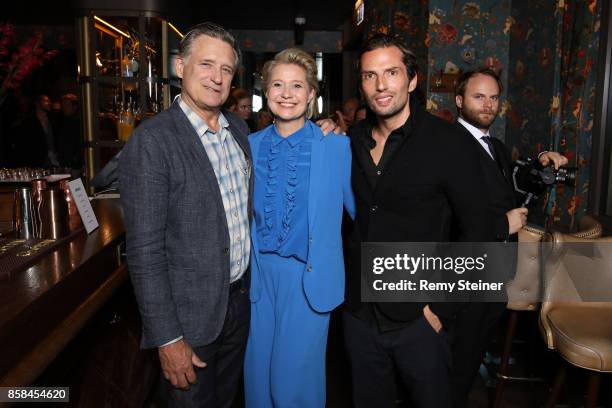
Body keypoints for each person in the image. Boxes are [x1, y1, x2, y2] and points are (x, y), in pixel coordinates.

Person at [342, 33, 490, 407]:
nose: (380, 85)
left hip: (419, 321)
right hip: (360, 316)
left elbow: (481, 232)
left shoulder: (450, 143)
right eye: (369, 75)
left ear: (412, 79)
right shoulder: (352, 139)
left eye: (391, 72)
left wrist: (439, 309)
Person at [120, 23, 252, 408]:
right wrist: (166, 338)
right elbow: (143, 251)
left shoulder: (240, 131)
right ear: (180, 66)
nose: (216, 77)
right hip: (188, 322)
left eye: (226, 69)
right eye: (206, 64)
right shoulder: (153, 141)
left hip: (238, 306)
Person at [243, 48, 355, 408]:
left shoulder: (336, 147)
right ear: (266, 90)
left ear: (312, 94)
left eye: (297, 85)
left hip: (308, 281)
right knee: (257, 384)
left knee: (291, 387)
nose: (287, 94)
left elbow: (366, 214)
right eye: (278, 84)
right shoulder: (248, 146)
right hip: (258, 281)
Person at [450, 67, 568, 407]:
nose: (488, 105)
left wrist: (541, 164)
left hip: (496, 269)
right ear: (459, 101)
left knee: (470, 359)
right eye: (478, 96)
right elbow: (447, 213)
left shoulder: (496, 147)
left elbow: (510, 190)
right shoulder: (448, 146)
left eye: (493, 97)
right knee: (455, 362)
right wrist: (502, 224)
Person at [55, 93, 83, 170]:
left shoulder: (79, 123)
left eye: (67, 105)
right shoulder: (62, 122)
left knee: (75, 182)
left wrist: (75, 162)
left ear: (75, 107)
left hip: (74, 165)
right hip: (64, 164)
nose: (64, 108)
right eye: (63, 105)